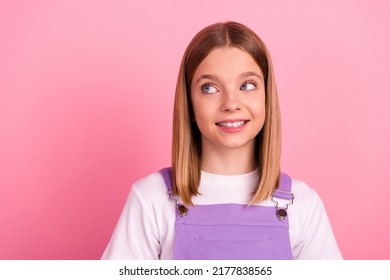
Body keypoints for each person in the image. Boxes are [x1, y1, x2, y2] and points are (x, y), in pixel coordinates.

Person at [101, 21, 343, 260]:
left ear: (267, 96)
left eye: (247, 85)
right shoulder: (151, 199)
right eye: (209, 88)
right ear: (190, 103)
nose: (231, 103)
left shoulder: (302, 204)